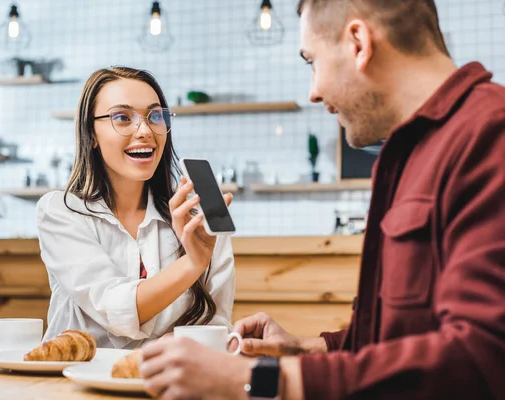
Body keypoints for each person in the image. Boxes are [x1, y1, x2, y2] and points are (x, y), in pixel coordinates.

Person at [140, 0, 505, 398]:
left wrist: (254, 381)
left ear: (358, 43)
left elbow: (480, 357)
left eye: (310, 61)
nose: (313, 92)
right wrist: (313, 348)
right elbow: (410, 336)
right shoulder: (410, 152)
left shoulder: (491, 135)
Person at [36, 66, 235, 349]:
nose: (144, 130)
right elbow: (113, 307)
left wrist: (182, 344)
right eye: (122, 117)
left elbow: (216, 328)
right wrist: (192, 263)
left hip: (168, 387)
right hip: (73, 387)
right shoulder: (61, 211)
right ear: (90, 133)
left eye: (155, 116)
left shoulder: (200, 221)